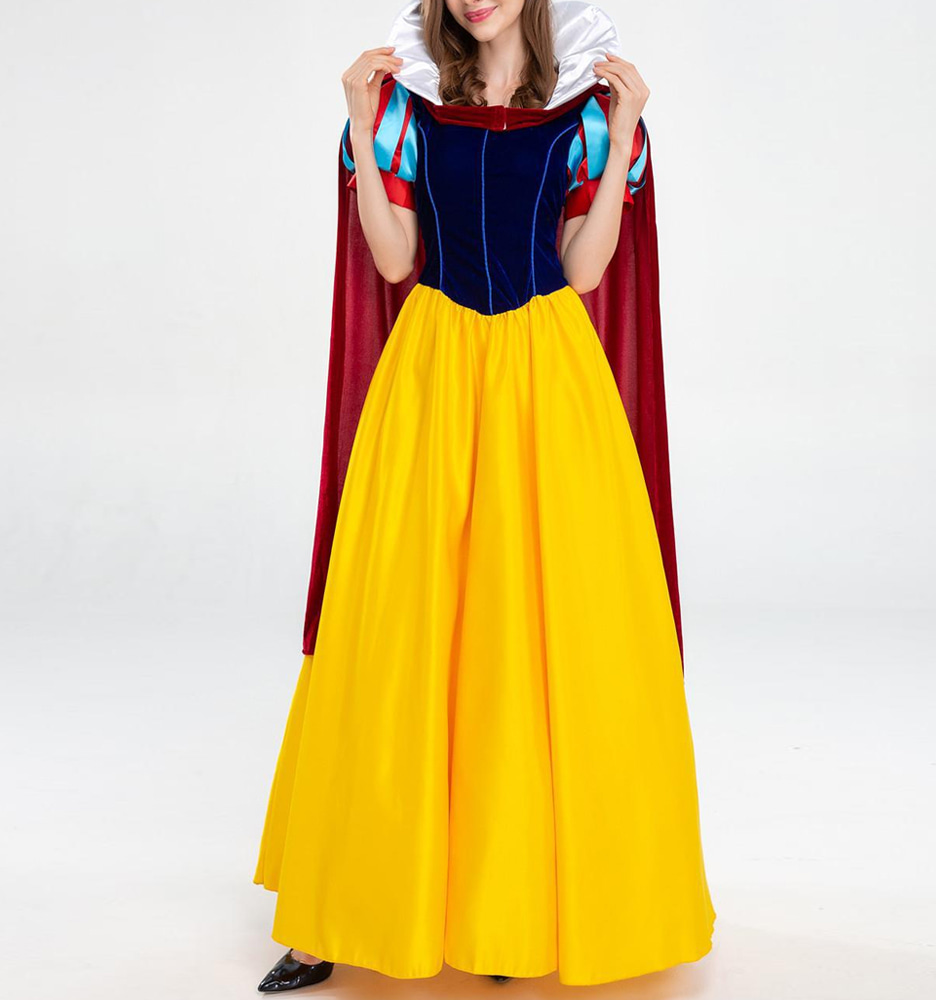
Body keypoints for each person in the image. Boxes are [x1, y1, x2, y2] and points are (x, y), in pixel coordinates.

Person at [254, 0, 715, 990]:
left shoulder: (587, 112)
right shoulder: (405, 108)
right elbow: (393, 260)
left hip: (546, 379)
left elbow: (585, 271)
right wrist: (357, 119)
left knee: (536, 630)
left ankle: (506, 916)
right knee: (397, 624)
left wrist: (627, 130)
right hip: (433, 372)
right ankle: (339, 913)